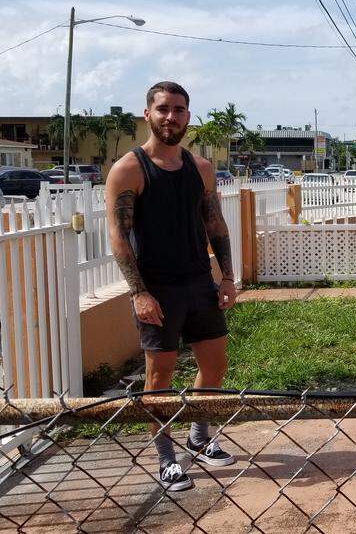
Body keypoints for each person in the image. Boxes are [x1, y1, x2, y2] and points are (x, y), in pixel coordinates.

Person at [105, 81, 237, 492]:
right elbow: (118, 236)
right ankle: (166, 460)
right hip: (157, 288)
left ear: (188, 117)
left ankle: (198, 437)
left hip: (200, 282)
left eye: (179, 110)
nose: (171, 117)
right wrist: (139, 293)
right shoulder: (129, 169)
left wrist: (228, 276)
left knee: (214, 365)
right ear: (147, 114)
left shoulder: (201, 168)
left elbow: (214, 223)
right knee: (159, 375)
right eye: (163, 109)